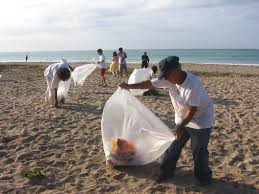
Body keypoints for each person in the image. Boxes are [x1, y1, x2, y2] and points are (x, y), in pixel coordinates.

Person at [119, 56, 214, 186]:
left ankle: (203, 178)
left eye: (167, 75)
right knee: (173, 146)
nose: (164, 78)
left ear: (175, 71)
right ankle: (166, 172)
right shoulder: (169, 79)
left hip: (201, 120)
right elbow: (149, 83)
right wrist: (129, 86)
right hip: (183, 117)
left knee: (198, 150)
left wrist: (179, 127)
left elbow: (192, 110)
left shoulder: (193, 85)